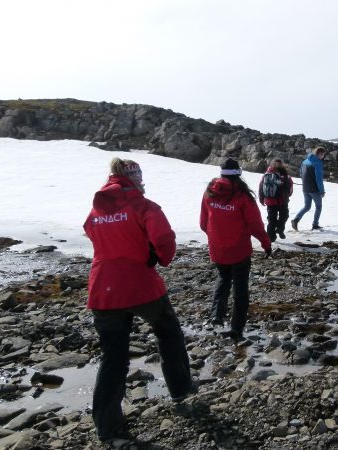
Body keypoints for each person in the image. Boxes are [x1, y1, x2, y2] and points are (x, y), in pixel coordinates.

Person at [84, 158, 193, 442]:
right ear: (135, 178)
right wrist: (159, 257)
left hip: (103, 288)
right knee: (169, 333)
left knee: (113, 357)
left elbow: (90, 230)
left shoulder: (98, 206)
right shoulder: (143, 205)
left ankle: (107, 426)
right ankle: (181, 389)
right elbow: (165, 238)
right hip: (140, 285)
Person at [200, 159, 272, 339]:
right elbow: (255, 224)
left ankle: (217, 314)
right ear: (238, 173)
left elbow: (203, 222)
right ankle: (236, 328)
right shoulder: (242, 196)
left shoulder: (209, 192)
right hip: (239, 250)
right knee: (240, 288)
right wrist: (266, 243)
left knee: (223, 278)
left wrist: (215, 236)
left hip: (218, 249)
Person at [291, 147, 326, 231]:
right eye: (322, 154)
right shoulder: (317, 162)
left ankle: (295, 220)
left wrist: (306, 183)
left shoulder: (305, 161)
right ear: (319, 154)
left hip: (305, 188)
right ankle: (315, 224)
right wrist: (322, 191)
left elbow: (301, 173)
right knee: (318, 206)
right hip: (314, 189)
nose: (323, 156)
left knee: (307, 206)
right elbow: (319, 178)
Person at [258, 158, 293, 241]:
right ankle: (280, 229)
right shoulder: (285, 175)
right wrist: (288, 195)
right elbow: (290, 188)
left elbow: (261, 187)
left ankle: (271, 237)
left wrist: (261, 198)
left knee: (271, 219)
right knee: (284, 216)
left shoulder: (267, 174)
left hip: (270, 201)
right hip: (283, 201)